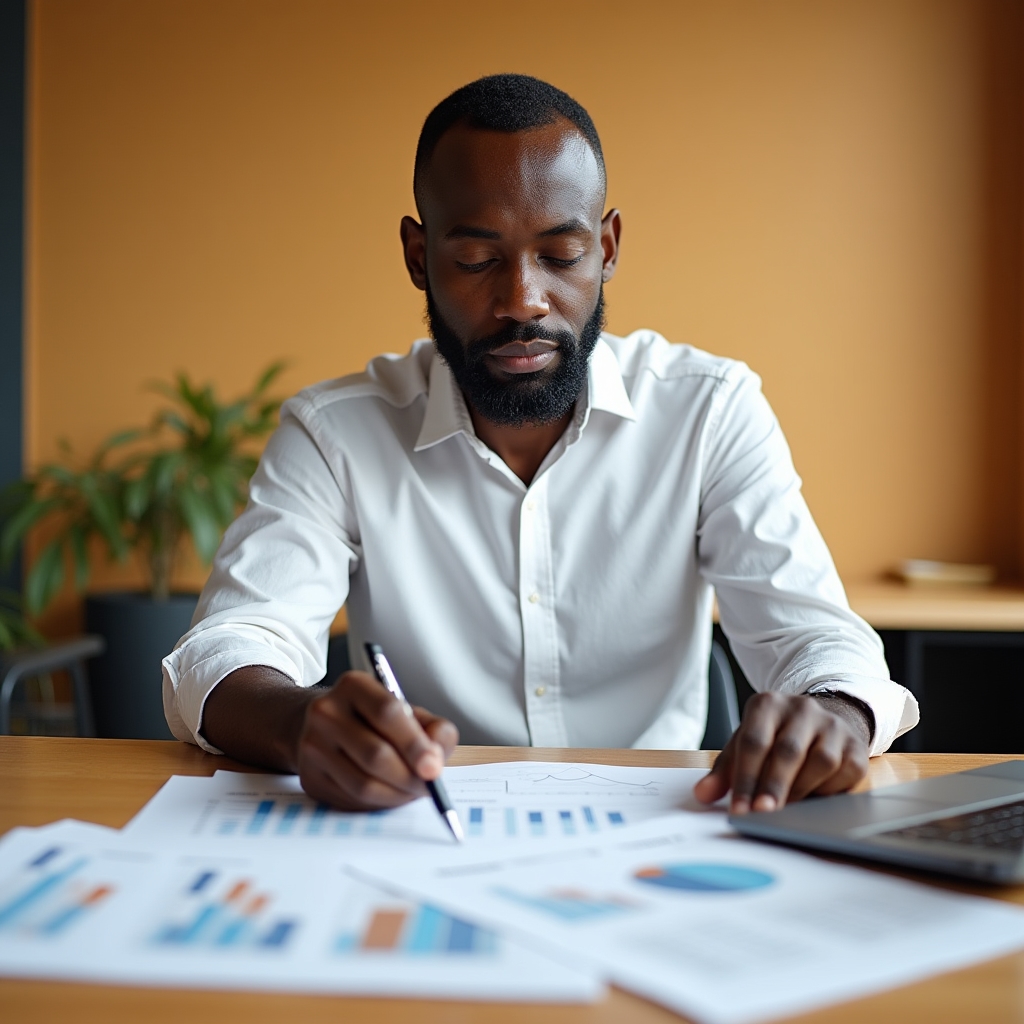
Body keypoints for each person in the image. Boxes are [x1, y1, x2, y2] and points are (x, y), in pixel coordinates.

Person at [163, 74, 918, 817]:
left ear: (607, 248)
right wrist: (300, 724)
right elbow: (227, 647)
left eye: (560, 255)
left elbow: (818, 638)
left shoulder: (708, 411)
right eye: (476, 259)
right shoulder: (335, 434)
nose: (523, 300)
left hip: (655, 836)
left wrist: (835, 714)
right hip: (422, 831)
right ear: (419, 257)